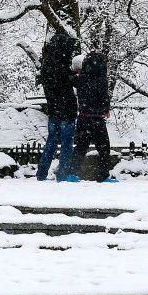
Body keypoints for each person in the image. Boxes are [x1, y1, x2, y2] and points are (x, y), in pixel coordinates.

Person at [36, 29, 78, 181]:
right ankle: (63, 174)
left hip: (53, 110)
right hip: (67, 111)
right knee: (67, 144)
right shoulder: (62, 67)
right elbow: (70, 85)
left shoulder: (47, 67)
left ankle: (41, 173)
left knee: (51, 142)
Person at [73, 48, 115, 182]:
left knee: (80, 147)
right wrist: (106, 109)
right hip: (97, 118)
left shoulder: (81, 78)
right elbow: (103, 96)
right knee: (104, 148)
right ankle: (103, 175)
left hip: (83, 116)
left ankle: (72, 173)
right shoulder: (101, 79)